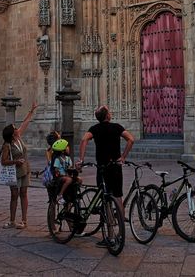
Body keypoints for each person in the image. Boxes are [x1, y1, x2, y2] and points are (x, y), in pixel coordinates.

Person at [79, 104, 135, 246]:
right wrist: (123, 156)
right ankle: (121, 234)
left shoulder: (94, 129)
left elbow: (84, 140)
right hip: (116, 167)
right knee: (118, 197)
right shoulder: (117, 127)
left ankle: (110, 237)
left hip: (103, 168)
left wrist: (81, 159)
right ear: (108, 116)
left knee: (106, 200)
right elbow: (131, 139)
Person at [0, 102, 38, 229]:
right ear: (12, 133)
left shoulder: (19, 137)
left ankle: (24, 220)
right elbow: (3, 161)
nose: (17, 128)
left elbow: (25, 124)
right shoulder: (7, 145)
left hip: (25, 169)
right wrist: (15, 162)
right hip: (14, 171)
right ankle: (12, 221)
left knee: (24, 194)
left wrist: (31, 111)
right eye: (14, 128)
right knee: (14, 195)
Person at [50, 138, 79, 204]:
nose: (68, 148)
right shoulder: (58, 159)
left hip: (67, 175)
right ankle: (60, 195)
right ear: (63, 151)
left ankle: (75, 194)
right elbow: (56, 170)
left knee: (79, 180)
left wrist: (75, 169)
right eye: (67, 147)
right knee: (69, 180)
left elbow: (70, 167)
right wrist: (61, 174)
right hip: (60, 177)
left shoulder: (68, 159)